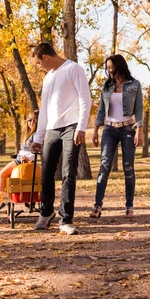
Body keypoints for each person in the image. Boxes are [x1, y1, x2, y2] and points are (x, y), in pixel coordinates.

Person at [31, 42, 91, 235]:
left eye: (39, 63)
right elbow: (45, 108)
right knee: (46, 172)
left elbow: (85, 98)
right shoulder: (48, 78)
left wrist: (81, 127)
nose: (40, 67)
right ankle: (46, 212)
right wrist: (38, 137)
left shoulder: (74, 69)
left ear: (45, 57)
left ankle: (65, 219)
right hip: (51, 129)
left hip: (72, 127)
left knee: (68, 173)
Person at [90, 54, 143, 219]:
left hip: (127, 129)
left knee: (128, 168)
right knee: (104, 167)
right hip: (109, 130)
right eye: (107, 67)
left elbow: (139, 109)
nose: (109, 70)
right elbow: (101, 110)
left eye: (111, 66)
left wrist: (139, 130)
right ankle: (97, 206)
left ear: (119, 66)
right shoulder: (106, 86)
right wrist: (95, 130)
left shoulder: (134, 84)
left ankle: (129, 207)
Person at [0, 112, 38, 214]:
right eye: (29, 120)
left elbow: (37, 152)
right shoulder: (29, 134)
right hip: (20, 159)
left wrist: (29, 160)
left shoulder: (36, 135)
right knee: (3, 176)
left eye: (34, 120)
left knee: (1, 174)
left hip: (22, 162)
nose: (31, 122)